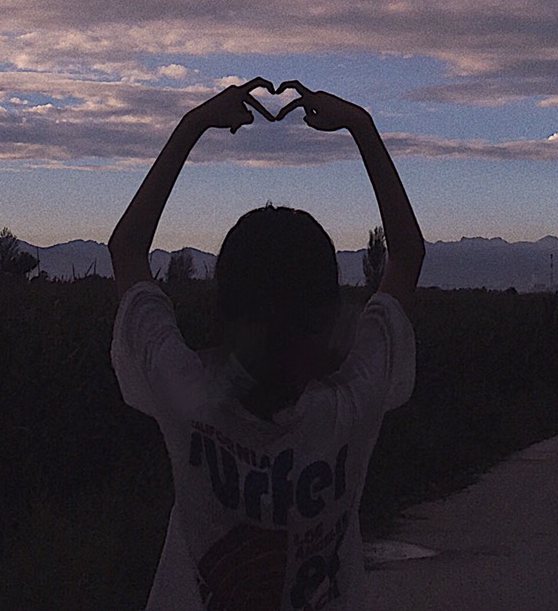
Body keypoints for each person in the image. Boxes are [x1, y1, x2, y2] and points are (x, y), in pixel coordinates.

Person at [109, 80, 424, 611]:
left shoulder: (188, 397)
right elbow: (407, 255)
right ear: (328, 318)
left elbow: (126, 249)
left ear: (223, 310)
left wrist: (194, 124)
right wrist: (360, 125)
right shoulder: (348, 407)